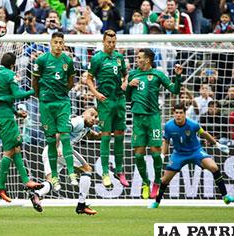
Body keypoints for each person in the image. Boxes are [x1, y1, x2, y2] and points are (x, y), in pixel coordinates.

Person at [148, 104, 234, 209]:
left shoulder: (193, 124)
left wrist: (217, 144)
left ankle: (225, 196)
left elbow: (204, 134)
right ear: (173, 113)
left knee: (214, 167)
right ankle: (156, 202)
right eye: (176, 113)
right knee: (165, 180)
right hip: (179, 154)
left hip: (195, 151)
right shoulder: (168, 126)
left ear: (184, 114)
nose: (178, 115)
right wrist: (163, 154)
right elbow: (166, 141)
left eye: (181, 113)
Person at [126, 48, 183, 200]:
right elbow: (126, 98)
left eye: (139, 57)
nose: (137, 60)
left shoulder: (158, 74)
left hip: (153, 118)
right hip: (138, 119)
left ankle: (157, 182)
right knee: (138, 155)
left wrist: (178, 77)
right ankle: (145, 182)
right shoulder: (133, 74)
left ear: (147, 60)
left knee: (156, 152)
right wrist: (129, 86)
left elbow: (175, 90)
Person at [0, 53, 43, 202]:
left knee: (16, 148)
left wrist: (16, 112)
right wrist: (34, 91)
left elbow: (0, 99)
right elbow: (18, 94)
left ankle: (26, 181)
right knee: (9, 150)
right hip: (6, 119)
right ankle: (1, 186)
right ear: (13, 65)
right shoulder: (9, 74)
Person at [31, 108, 100, 215]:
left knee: (51, 181)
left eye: (96, 117)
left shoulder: (84, 127)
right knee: (87, 170)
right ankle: (81, 205)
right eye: (92, 115)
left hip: (48, 150)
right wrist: (58, 147)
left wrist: (100, 135)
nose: (94, 119)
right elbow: (60, 130)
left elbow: (90, 134)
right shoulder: (78, 121)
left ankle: (37, 193)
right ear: (83, 113)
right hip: (61, 149)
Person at [32, 32, 76, 191]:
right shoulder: (42, 60)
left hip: (62, 102)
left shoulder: (67, 61)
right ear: (51, 43)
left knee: (64, 135)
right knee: (51, 140)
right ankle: (55, 177)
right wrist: (39, 96)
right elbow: (34, 81)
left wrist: (62, 92)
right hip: (46, 104)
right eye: (56, 42)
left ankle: (71, 173)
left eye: (61, 42)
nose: (58, 45)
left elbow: (71, 81)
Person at [86, 30, 129, 188]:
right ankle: (105, 172)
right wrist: (96, 94)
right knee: (105, 135)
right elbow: (88, 79)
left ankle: (119, 170)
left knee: (119, 135)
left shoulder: (119, 57)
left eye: (114, 42)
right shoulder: (97, 58)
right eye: (109, 42)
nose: (111, 45)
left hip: (119, 100)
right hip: (105, 102)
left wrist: (125, 82)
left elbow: (126, 75)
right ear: (104, 42)